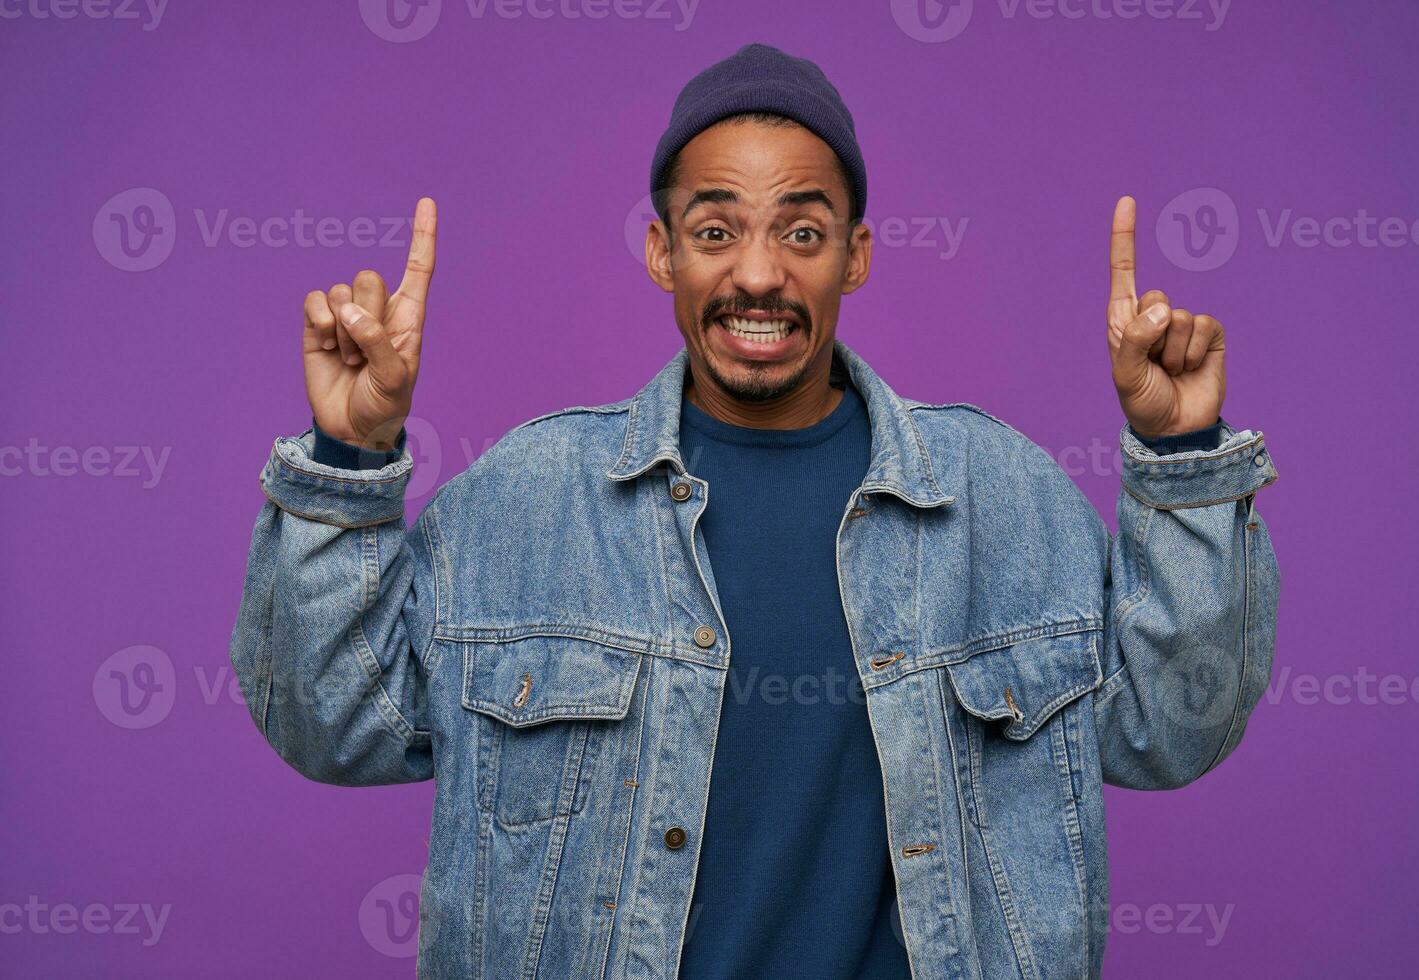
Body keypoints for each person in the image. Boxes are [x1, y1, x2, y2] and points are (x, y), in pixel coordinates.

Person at [230, 42, 1279, 980]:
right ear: (663, 253)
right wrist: (351, 450)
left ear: (855, 256)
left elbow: (1168, 724)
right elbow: (331, 721)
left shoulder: (1004, 499)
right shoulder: (523, 501)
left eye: (804, 230)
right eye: (717, 228)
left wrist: (1179, 452)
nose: (760, 273)